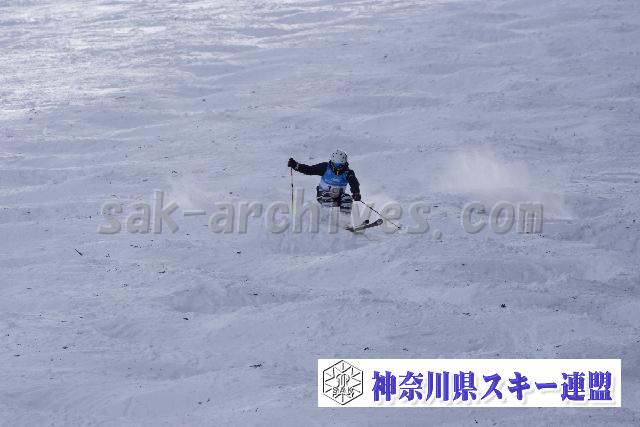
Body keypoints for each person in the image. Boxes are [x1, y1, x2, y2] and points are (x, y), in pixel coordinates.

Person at [288, 149, 361, 214]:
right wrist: (296, 165)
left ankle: (344, 220)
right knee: (327, 196)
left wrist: (356, 193)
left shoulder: (348, 172)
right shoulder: (325, 167)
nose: (338, 168)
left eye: (340, 165)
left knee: (347, 198)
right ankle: (326, 219)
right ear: (332, 162)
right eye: (336, 164)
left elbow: (354, 183)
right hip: (322, 195)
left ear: (344, 163)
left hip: (338, 197)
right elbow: (309, 170)